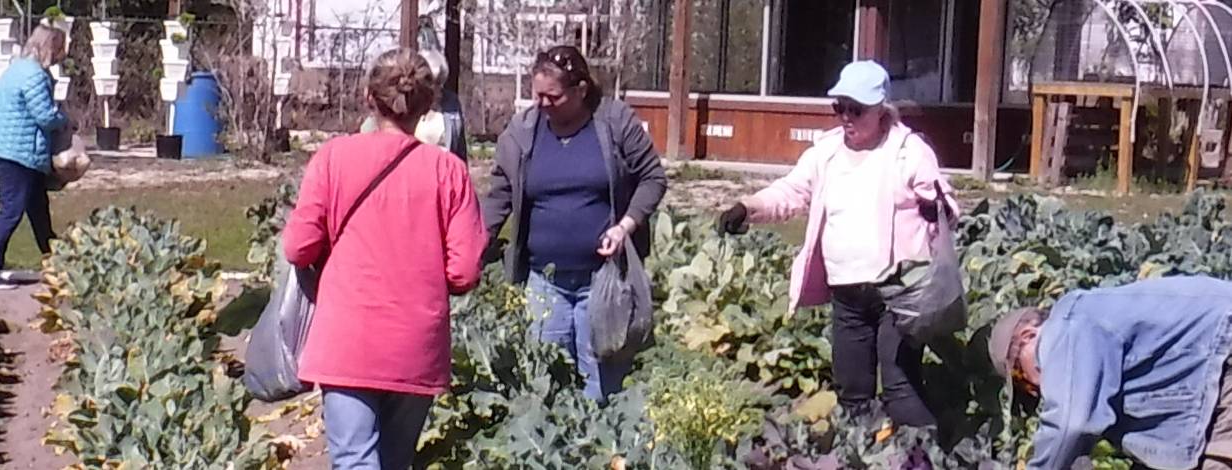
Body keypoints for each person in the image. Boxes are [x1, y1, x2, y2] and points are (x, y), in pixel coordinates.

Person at [715, 60, 958, 427]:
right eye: (839, 107)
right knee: (853, 391)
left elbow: (947, 207)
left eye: (856, 109)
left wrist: (933, 210)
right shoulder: (826, 152)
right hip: (847, 293)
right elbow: (792, 191)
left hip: (899, 293)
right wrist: (748, 208)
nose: (846, 117)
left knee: (900, 387)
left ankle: (927, 458)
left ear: (881, 111)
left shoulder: (909, 152)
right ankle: (861, 458)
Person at [283, 48, 486, 469]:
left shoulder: (333, 159)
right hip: (416, 342)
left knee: (355, 460)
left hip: (347, 339)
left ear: (366, 98)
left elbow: (298, 247)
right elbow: (465, 271)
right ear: (429, 106)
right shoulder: (448, 171)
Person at [481, 45, 668, 403]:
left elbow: (652, 178)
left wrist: (625, 225)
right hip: (543, 281)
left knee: (601, 379)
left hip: (603, 280)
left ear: (581, 90)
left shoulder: (614, 122)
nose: (542, 104)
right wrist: (476, 243)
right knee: (544, 379)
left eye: (553, 96)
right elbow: (500, 193)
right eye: (537, 95)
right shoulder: (523, 132)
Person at [989, 276, 1232, 470]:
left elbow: (1069, 423)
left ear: (1029, 336)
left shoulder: (1067, 325)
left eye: (1021, 376)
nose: (1036, 389)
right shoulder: (1090, 327)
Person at [0, 25, 69, 290]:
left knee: (38, 209)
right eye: (60, 49)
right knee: (12, 210)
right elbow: (45, 116)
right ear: (50, 47)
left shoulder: (17, 67)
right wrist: (65, 120)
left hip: (7, 147)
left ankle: (59, 264)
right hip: (16, 151)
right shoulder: (34, 75)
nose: (61, 56)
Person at [359, 50, 468, 161]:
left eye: (439, 83)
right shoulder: (375, 125)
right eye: (428, 83)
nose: (435, 89)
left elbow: (459, 147)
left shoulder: (451, 103)